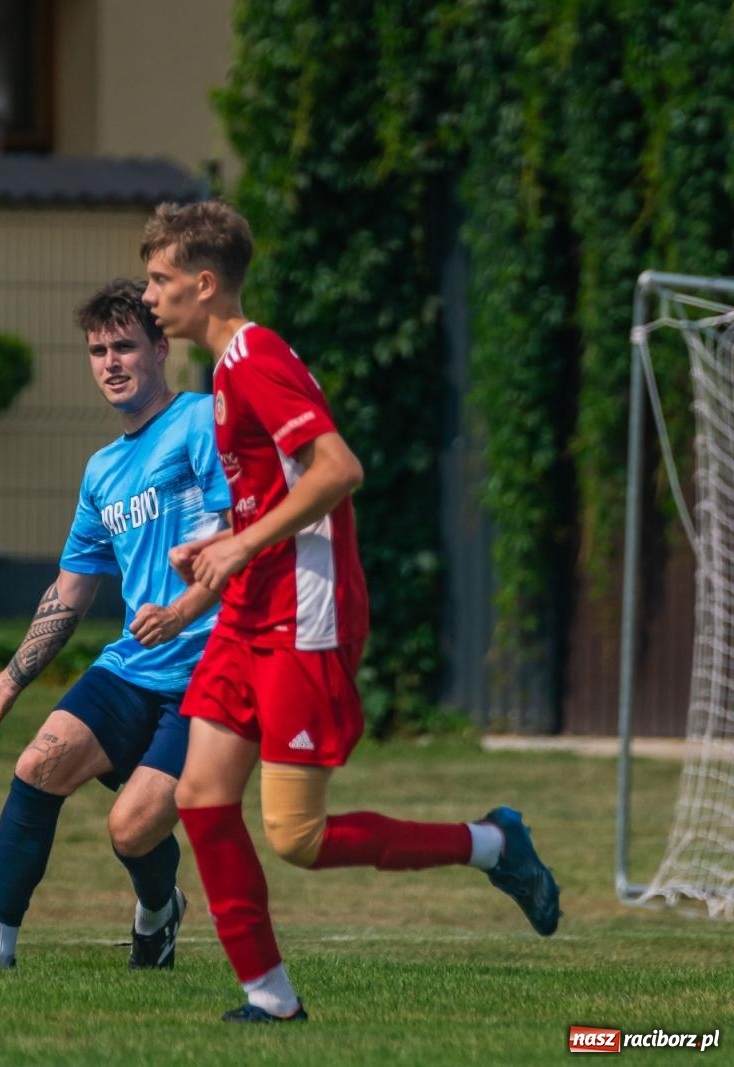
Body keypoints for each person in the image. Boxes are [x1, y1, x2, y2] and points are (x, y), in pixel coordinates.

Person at [139, 199, 561, 1022]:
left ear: (204, 281)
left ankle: (493, 843)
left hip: (305, 614)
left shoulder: (254, 358)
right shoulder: (225, 370)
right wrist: (214, 556)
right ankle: (268, 996)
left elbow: (338, 468)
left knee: (296, 836)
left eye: (159, 280)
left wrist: (236, 545)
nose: (148, 295)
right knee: (198, 797)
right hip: (250, 611)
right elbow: (279, 494)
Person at [0, 278, 232, 970]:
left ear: (161, 349)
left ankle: (159, 914)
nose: (110, 361)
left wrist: (195, 602)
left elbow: (235, 527)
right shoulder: (102, 471)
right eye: (98, 349)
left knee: (130, 830)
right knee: (37, 765)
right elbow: (71, 589)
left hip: (208, 674)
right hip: (132, 667)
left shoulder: (198, 422)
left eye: (125, 345)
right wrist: (13, 677)